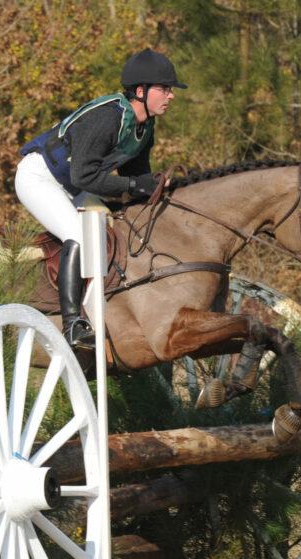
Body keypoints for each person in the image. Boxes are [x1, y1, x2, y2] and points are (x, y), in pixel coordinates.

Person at [16, 49, 186, 349]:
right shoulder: (108, 117)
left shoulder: (144, 127)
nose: (171, 96)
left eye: (170, 90)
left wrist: (151, 187)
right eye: (165, 89)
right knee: (78, 235)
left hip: (74, 185)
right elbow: (86, 177)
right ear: (140, 90)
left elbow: (134, 179)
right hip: (40, 177)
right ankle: (73, 324)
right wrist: (136, 184)